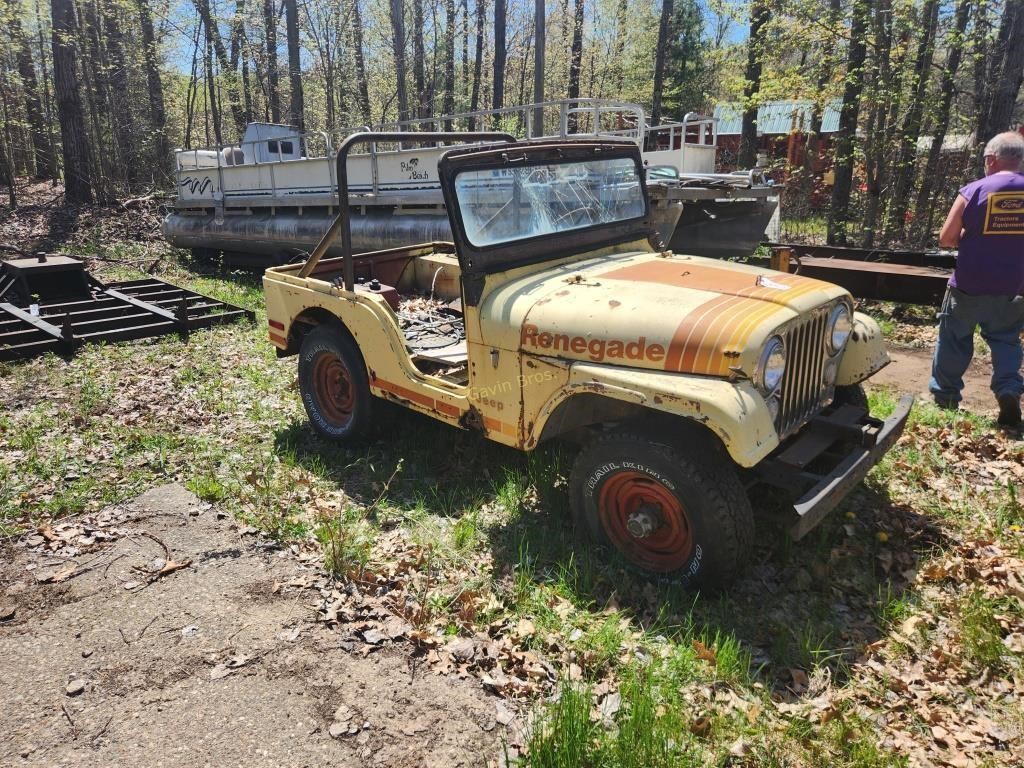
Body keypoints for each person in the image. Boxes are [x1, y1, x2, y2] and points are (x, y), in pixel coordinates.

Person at [930, 131, 1024, 431]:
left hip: (968, 285)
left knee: (954, 339)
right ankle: (1008, 391)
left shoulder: (974, 190)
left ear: (991, 160)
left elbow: (946, 238)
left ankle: (945, 400)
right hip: (1013, 288)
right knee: (1006, 340)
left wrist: (972, 238)